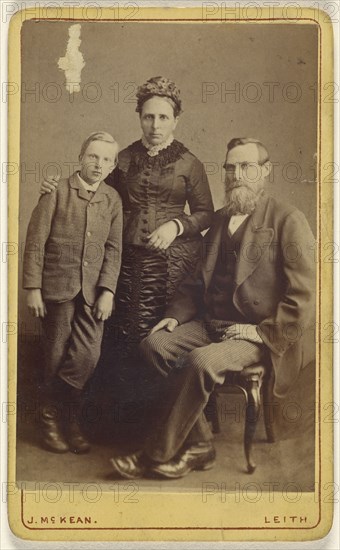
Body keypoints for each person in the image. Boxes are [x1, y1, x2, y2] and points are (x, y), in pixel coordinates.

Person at [109, 137, 316, 479]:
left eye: (246, 167)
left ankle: (154, 454)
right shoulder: (220, 220)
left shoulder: (287, 219)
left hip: (253, 335)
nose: (237, 175)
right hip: (211, 323)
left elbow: (305, 295)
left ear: (265, 172)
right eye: (231, 167)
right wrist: (173, 317)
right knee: (153, 346)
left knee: (201, 361)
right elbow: (194, 281)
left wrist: (261, 332)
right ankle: (200, 444)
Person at [40, 76, 214, 402]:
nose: (155, 125)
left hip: (172, 269)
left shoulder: (190, 163)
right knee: (117, 336)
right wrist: (54, 185)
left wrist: (175, 226)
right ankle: (117, 421)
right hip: (125, 263)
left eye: (163, 117)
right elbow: (94, 193)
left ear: (176, 119)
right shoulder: (121, 159)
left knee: (160, 338)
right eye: (148, 116)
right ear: (139, 117)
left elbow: (207, 213)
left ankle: (161, 421)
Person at [23, 131, 123, 454]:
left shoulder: (112, 200)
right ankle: (57, 421)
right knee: (55, 351)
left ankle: (57, 411)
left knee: (87, 355)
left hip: (93, 292)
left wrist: (108, 290)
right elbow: (36, 241)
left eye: (107, 159)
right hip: (57, 287)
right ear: (81, 157)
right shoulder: (57, 192)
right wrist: (33, 288)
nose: (99, 164)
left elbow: (114, 249)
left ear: (113, 165)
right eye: (93, 156)